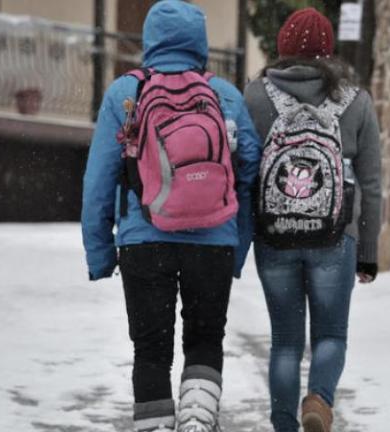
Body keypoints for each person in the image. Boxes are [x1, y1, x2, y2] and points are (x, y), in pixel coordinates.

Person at [81, 1, 261, 431]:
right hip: (213, 241)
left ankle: (157, 425)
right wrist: (236, 246)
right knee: (203, 341)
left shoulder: (126, 94)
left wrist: (100, 253)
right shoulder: (226, 96)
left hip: (145, 241)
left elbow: (98, 180)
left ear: (149, 40)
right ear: (200, 43)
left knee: (151, 351)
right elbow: (249, 172)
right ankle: (198, 420)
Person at [244, 8, 382, 432]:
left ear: (281, 48)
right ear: (329, 51)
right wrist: (369, 252)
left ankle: (283, 424)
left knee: (285, 343)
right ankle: (319, 400)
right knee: (330, 336)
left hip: (276, 236)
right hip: (335, 237)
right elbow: (372, 183)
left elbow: (244, 172)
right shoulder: (356, 102)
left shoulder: (255, 97)